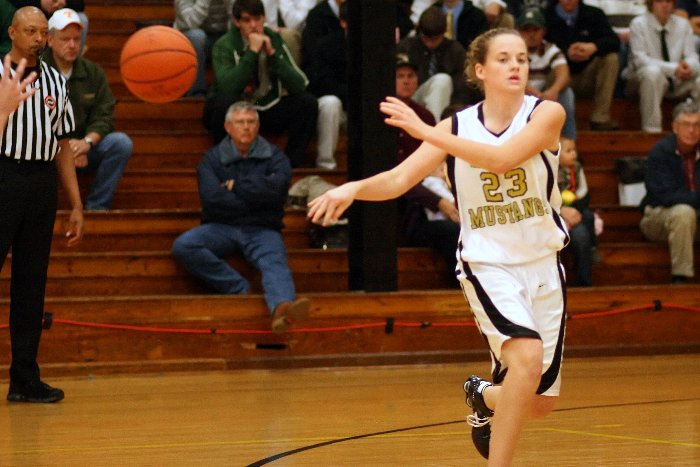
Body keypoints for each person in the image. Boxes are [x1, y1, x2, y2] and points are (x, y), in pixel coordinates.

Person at [308, 28, 568, 464]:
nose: (516, 66)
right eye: (504, 59)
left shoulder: (547, 114)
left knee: (539, 402)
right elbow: (398, 179)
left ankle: (483, 396)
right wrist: (352, 188)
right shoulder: (457, 127)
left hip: (543, 263)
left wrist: (427, 132)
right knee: (525, 358)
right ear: (480, 70)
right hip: (489, 263)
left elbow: (501, 159)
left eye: (522, 58)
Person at [1, 6, 83, 403]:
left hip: (41, 182)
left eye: (42, 33)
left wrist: (76, 203)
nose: (38, 38)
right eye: (30, 31)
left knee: (31, 284)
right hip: (3, 174)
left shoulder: (54, 80)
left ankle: (24, 379)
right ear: (12, 33)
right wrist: (4, 109)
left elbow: (63, 144)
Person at [173, 101, 309, 333]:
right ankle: (238, 288)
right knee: (184, 246)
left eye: (251, 122)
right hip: (221, 226)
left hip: (263, 228)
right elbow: (212, 199)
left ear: (258, 126)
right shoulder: (211, 159)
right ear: (228, 127)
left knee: (274, 259)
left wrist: (235, 186)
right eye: (240, 122)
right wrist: (257, 198)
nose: (246, 127)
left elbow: (277, 192)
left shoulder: (276, 156)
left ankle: (282, 309)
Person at [203, 0, 318, 168]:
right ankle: (226, 165)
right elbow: (228, 87)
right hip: (233, 108)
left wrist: (272, 54)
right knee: (223, 103)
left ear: (264, 18)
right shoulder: (224, 44)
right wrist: (252, 53)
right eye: (247, 20)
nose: (253, 25)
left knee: (307, 103)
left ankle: (289, 166)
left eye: (257, 19)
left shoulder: (273, 38)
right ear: (236, 22)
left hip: (264, 105)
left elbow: (299, 84)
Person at [45, 8, 132, 211]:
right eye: (65, 39)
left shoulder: (94, 72)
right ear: (49, 40)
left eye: (76, 39)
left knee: (120, 143)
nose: (72, 45)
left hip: (83, 147)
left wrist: (86, 143)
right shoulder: (37, 71)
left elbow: (105, 115)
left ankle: (96, 208)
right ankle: (42, 209)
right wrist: (66, 149)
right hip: (49, 151)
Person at [395, 52, 460, 289]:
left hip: (438, 186)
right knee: (452, 231)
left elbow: (440, 159)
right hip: (408, 209)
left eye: (411, 76)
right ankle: (460, 288)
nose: (406, 81)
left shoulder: (424, 116)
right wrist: (438, 202)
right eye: (400, 76)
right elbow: (396, 175)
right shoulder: (381, 117)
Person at [640, 99, 700, 284]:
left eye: (697, 125)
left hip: (695, 216)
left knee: (687, 212)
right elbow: (665, 196)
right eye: (686, 124)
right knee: (683, 212)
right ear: (675, 127)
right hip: (658, 217)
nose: (692, 130)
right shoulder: (660, 152)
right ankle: (681, 277)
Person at [624, 0, 700, 133]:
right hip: (640, 81)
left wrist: (689, 67)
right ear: (651, 3)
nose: (665, 5)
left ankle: (695, 129)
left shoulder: (683, 24)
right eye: (659, 1)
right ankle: (652, 131)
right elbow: (640, 60)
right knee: (652, 73)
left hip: (677, 80)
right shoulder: (638, 23)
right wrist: (674, 69)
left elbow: (692, 56)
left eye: (669, 1)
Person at [545, 0, 621, 131]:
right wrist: (565, 53)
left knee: (611, 59)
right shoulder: (546, 15)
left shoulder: (594, 14)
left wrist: (594, 47)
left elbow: (614, 41)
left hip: (588, 76)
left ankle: (600, 117)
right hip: (558, 80)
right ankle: (550, 121)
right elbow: (538, 45)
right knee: (555, 68)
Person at [397, 6, 482, 122]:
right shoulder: (406, 47)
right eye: (426, 38)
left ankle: (437, 127)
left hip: (446, 107)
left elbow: (462, 90)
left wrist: (452, 114)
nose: (430, 43)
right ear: (420, 32)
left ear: (444, 33)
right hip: (410, 99)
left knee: (442, 80)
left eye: (434, 39)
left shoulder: (455, 51)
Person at [517, 6, 576, 139]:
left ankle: (568, 141)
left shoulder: (551, 49)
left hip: (545, 95)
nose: (531, 34)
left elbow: (564, 74)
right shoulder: (512, 50)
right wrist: (529, 90)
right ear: (519, 31)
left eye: (535, 29)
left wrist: (553, 90)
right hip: (518, 95)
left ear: (543, 31)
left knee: (566, 93)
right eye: (526, 30)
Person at [303, 1, 347, 170]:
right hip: (338, 107)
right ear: (343, 22)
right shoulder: (326, 46)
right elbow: (321, 83)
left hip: (361, 109)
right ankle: (326, 165)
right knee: (331, 103)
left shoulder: (372, 48)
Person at [174, 0, 235, 97]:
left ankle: (228, 91)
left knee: (234, 35)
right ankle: (196, 94)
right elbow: (191, 23)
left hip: (219, 36)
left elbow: (239, 22)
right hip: (188, 38)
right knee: (197, 36)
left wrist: (231, 3)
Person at [557, 136, 596, 286]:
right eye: (568, 151)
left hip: (576, 208)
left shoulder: (577, 168)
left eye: (574, 150)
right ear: (557, 154)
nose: (573, 154)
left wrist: (573, 207)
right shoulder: (551, 169)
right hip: (556, 213)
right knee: (581, 235)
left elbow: (583, 192)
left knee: (588, 217)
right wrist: (561, 208)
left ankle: (593, 248)